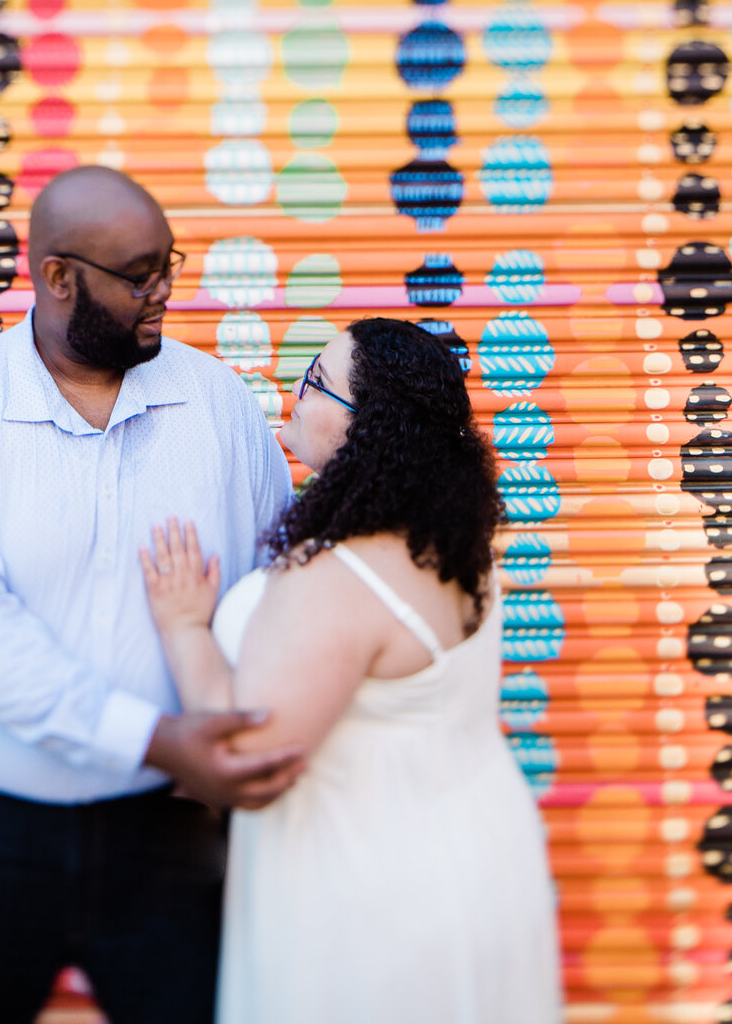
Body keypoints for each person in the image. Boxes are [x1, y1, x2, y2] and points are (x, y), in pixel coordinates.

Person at [0, 165, 300, 1024]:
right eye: (139, 274)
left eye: (168, 263)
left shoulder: (218, 406)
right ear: (57, 276)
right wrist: (153, 737)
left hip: (169, 838)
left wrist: (225, 731)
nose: (165, 289)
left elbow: (274, 591)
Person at [140, 316, 564, 1024]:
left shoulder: (339, 575)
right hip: (476, 857)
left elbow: (248, 755)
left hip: (370, 890)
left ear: (369, 427)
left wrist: (185, 626)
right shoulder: (456, 546)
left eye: (315, 383)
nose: (293, 395)